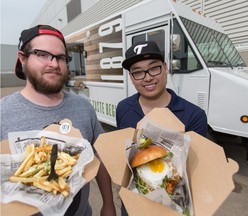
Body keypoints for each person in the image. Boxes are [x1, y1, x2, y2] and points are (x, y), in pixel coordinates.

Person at [0, 25, 116, 216]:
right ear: (23, 58)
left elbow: (100, 157)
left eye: (60, 57)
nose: (54, 63)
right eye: (42, 54)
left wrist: (109, 204)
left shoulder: (83, 107)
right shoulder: (3, 113)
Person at [116, 41, 208, 215]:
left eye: (154, 68)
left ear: (165, 68)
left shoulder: (194, 115)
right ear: (131, 77)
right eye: (138, 72)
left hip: (174, 207)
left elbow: (196, 173)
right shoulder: (123, 108)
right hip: (131, 205)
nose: (148, 77)